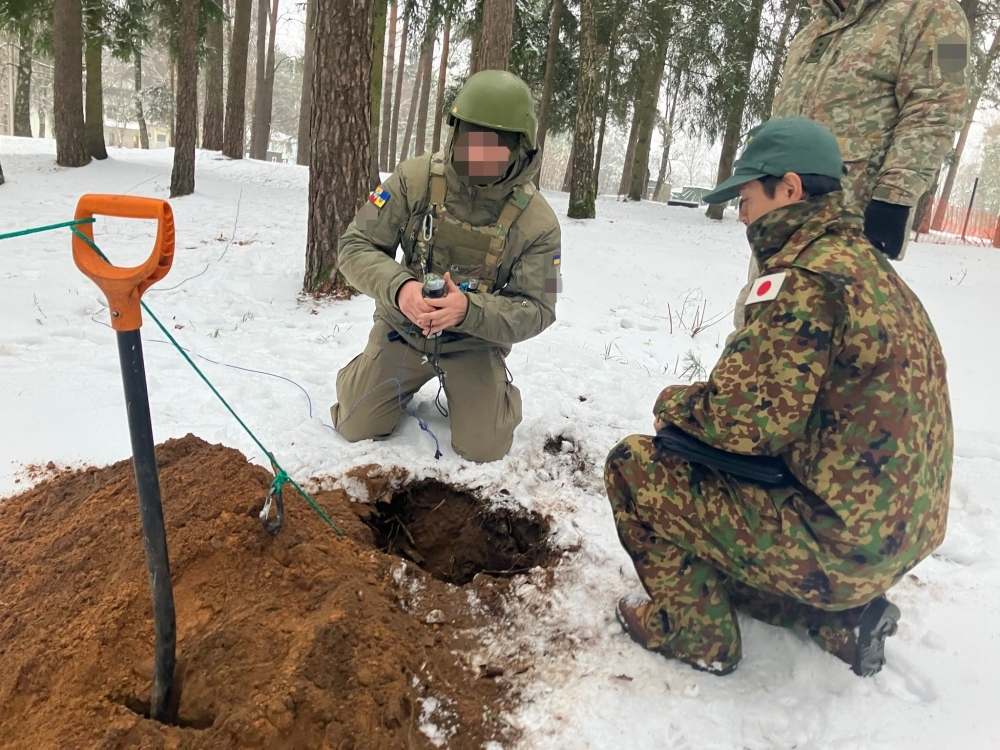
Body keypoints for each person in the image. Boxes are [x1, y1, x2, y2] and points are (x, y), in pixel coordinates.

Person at [606, 117, 953, 677]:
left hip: (837, 542)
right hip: (895, 537)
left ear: (789, 189)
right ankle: (838, 623)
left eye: (746, 197)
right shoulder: (872, 272)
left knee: (633, 465)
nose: (741, 214)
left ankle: (694, 633)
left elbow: (739, 423)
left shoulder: (804, 281)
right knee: (732, 519)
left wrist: (672, 402)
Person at [331, 70, 562, 463]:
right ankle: (367, 373)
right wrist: (402, 289)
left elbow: (540, 308)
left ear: (520, 150)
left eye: (495, 148)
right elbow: (354, 245)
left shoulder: (539, 224)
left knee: (485, 447)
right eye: (472, 142)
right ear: (456, 133)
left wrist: (468, 311)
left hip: (472, 340)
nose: (479, 156)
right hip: (403, 329)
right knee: (354, 424)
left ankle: (494, 396)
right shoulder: (412, 179)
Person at [731, 0, 970, 332]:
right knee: (757, 323)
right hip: (781, 221)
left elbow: (942, 110)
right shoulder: (811, 32)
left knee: (826, 338)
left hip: (848, 220)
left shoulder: (939, 14)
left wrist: (894, 198)